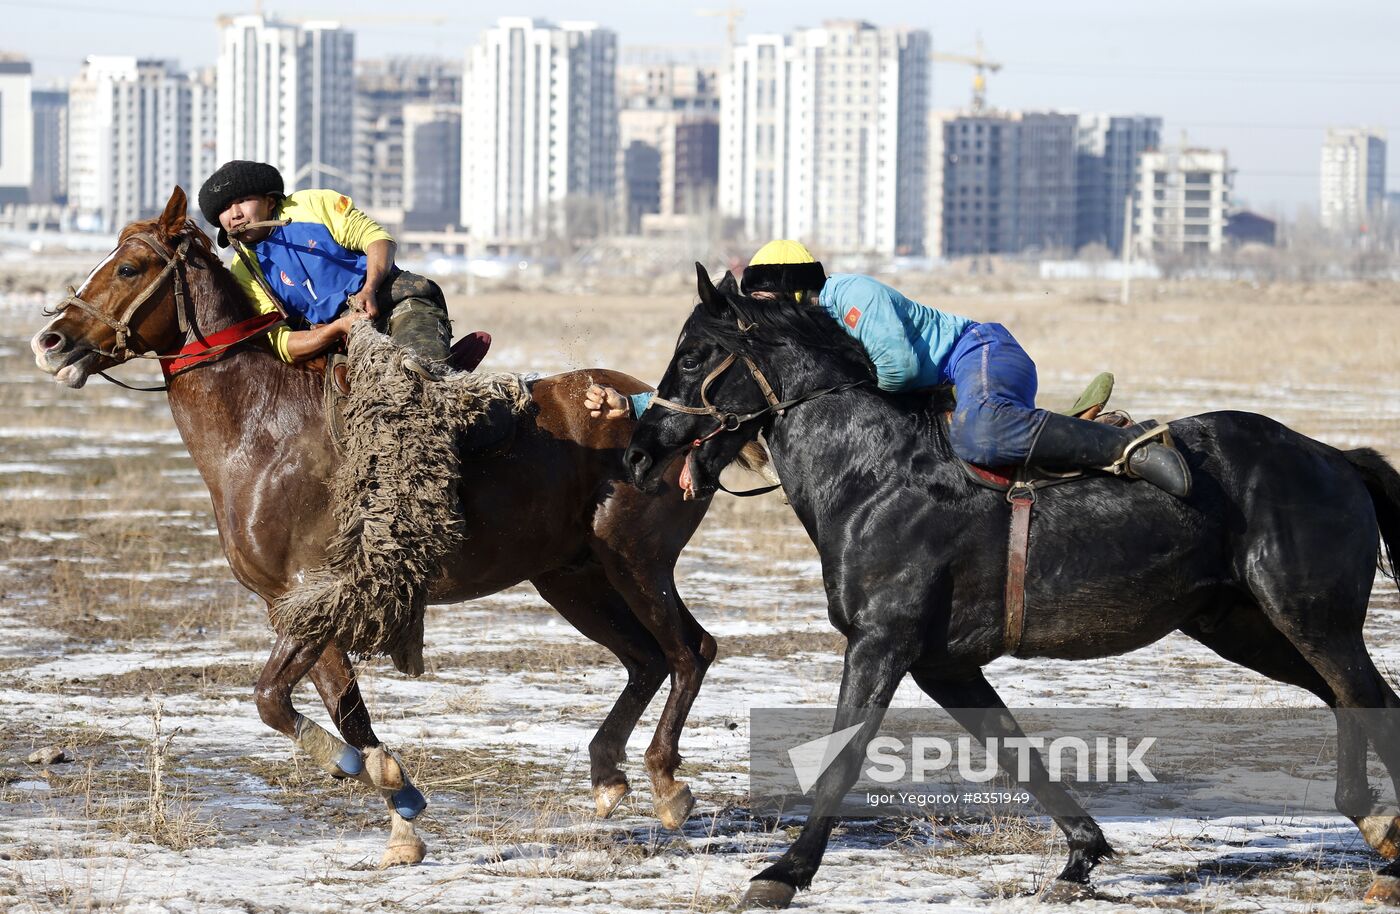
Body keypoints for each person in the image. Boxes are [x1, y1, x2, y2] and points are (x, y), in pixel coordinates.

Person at [584, 239, 1191, 498]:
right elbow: (739, 398)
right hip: (946, 385)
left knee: (981, 433)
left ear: (793, 291)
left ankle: (1126, 444)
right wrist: (640, 407)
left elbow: (897, 370)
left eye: (767, 304)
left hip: (978, 354)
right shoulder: (804, 333)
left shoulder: (852, 294)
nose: (763, 319)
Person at [196, 160, 452, 373]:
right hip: (336, 339)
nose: (235, 214)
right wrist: (338, 328)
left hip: (389, 301)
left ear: (270, 202)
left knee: (419, 370)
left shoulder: (312, 205)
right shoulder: (243, 271)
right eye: (225, 208)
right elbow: (281, 343)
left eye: (244, 200)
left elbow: (377, 239)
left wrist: (370, 289)